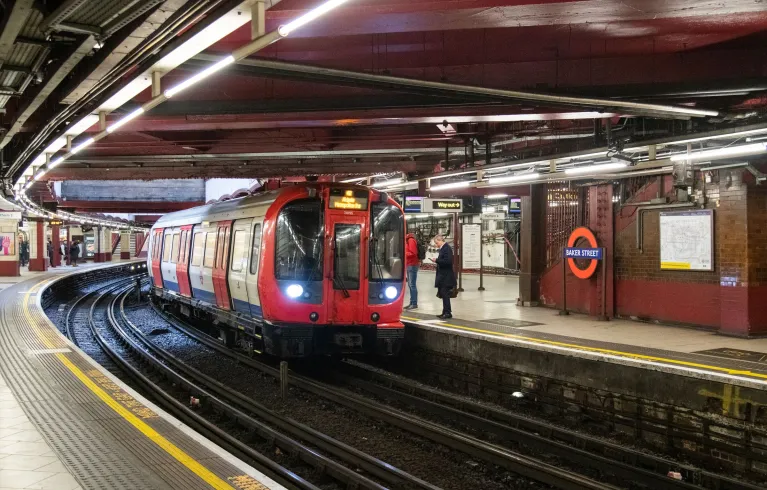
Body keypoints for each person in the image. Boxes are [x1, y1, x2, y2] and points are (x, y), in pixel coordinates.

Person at [431, 234, 456, 319]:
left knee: (445, 295)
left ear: (440, 240)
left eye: (436, 242)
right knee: (443, 294)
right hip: (443, 276)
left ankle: (448, 312)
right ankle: (445, 311)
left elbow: (448, 261)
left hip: (446, 277)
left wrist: (437, 260)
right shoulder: (443, 248)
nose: (436, 244)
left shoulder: (446, 248)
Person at [404, 232, 420, 310]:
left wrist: (404, 253)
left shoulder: (410, 240)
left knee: (412, 284)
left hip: (412, 265)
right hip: (409, 264)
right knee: (410, 285)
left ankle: (414, 303)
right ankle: (411, 302)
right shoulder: (408, 240)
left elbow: (413, 253)